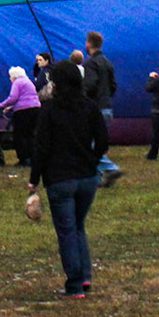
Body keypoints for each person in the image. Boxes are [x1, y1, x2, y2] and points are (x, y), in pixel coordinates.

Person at [27, 61, 107, 298]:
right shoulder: (90, 107)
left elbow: (41, 147)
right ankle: (85, 277)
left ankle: (74, 283)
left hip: (59, 178)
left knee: (67, 231)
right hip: (86, 177)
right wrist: (92, 160)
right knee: (78, 226)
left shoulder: (49, 110)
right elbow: (103, 140)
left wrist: (34, 179)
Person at [82, 32, 122, 187]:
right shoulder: (107, 63)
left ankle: (110, 168)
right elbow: (113, 85)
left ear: (88, 44)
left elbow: (90, 85)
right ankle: (97, 178)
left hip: (95, 108)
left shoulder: (90, 63)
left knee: (90, 145)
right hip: (107, 107)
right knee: (99, 143)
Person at [0, 66, 41, 168]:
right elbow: (26, 97)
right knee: (31, 135)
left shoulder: (17, 82)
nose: (10, 79)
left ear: (14, 76)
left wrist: (0, 105)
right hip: (35, 109)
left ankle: (23, 159)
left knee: (19, 135)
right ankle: (32, 158)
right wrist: (12, 107)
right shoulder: (28, 82)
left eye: (10, 76)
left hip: (23, 112)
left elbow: (13, 97)